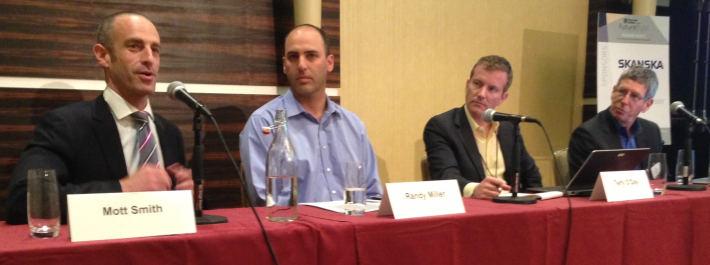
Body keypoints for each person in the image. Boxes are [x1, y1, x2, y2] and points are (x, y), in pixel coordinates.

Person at [5, 12, 193, 224]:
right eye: (134, 46)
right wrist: (123, 189)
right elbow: (22, 200)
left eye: (155, 50)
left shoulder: (168, 132)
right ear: (103, 55)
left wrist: (189, 198)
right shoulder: (66, 125)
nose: (149, 58)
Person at [240, 24, 382, 205]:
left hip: (351, 228)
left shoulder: (353, 125)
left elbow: (373, 196)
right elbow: (266, 204)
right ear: (285, 65)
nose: (301, 65)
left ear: (329, 63)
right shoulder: (264, 124)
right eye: (293, 57)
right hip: (294, 230)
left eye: (311, 56)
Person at [423, 55, 542, 200]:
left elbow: (532, 177)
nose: (481, 94)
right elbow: (444, 176)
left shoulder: (510, 128)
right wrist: (474, 189)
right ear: (467, 84)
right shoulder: (441, 126)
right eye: (477, 84)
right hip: (469, 212)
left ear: (502, 98)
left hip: (510, 211)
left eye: (492, 89)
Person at [568, 65, 663, 177]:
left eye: (634, 96)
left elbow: (657, 177)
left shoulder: (651, 131)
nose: (624, 101)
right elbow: (584, 187)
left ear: (647, 104)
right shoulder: (587, 134)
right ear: (613, 91)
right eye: (622, 91)